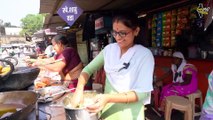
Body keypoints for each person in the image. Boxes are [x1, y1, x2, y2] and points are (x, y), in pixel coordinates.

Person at [71, 12, 155, 120]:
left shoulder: (144, 55)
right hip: (107, 111)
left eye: (123, 33)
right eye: (115, 32)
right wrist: (79, 90)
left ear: (136, 31)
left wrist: (109, 98)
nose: (118, 37)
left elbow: (142, 93)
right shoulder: (109, 50)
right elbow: (87, 70)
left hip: (130, 114)